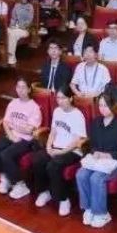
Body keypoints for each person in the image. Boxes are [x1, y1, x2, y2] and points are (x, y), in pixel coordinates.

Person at [28, 88, 88, 216]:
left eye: (63, 98)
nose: (60, 101)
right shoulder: (57, 111)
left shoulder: (77, 115)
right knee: (38, 159)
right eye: (58, 98)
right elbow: (53, 132)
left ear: (70, 98)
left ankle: (63, 198)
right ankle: (44, 191)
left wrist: (60, 152)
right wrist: (48, 146)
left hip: (72, 151)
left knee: (53, 165)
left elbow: (77, 141)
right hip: (56, 147)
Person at [76, 94, 117, 229]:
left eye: (106, 105)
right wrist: (95, 152)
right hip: (98, 160)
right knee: (81, 174)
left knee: (96, 178)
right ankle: (88, 208)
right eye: (100, 105)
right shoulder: (96, 122)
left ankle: (101, 213)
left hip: (116, 161)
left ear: (112, 106)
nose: (102, 108)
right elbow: (92, 144)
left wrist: (108, 155)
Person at [0, 79, 42, 200]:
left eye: (23, 87)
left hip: (26, 140)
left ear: (29, 90)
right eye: (18, 87)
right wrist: (11, 134)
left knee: (6, 154)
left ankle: (20, 184)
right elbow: (5, 122)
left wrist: (14, 126)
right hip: (11, 135)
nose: (20, 90)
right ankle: (5, 176)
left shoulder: (34, 107)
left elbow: (29, 130)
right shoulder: (13, 103)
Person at [6, 0, 35, 65]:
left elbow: (29, 21)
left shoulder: (30, 6)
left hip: (25, 29)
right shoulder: (17, 5)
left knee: (12, 34)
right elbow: (13, 18)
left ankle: (11, 58)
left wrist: (19, 26)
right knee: (6, 31)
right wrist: (12, 25)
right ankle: (6, 56)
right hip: (15, 27)